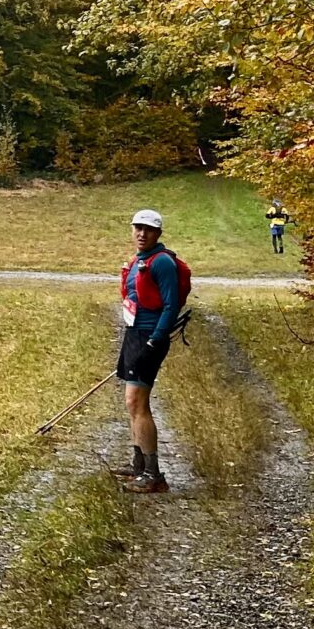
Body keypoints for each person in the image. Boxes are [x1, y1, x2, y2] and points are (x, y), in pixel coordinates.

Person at [116, 209, 189, 492]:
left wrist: (155, 340)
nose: (142, 233)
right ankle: (139, 466)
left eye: (148, 229)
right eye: (138, 228)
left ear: (158, 233)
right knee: (131, 402)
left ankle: (153, 476)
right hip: (135, 333)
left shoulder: (162, 264)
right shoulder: (138, 260)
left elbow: (171, 306)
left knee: (138, 402)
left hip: (150, 337)